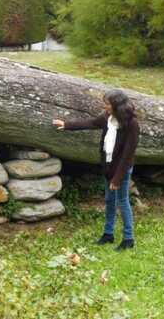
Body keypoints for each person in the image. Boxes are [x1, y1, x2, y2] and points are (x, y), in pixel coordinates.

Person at [52, 89, 140, 251]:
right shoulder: (108, 118)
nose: (105, 106)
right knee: (109, 200)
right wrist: (66, 125)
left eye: (107, 104)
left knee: (122, 201)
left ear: (117, 105)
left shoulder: (131, 124)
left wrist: (117, 179)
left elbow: (128, 155)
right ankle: (108, 234)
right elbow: (91, 123)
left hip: (122, 169)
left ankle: (128, 238)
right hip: (108, 165)